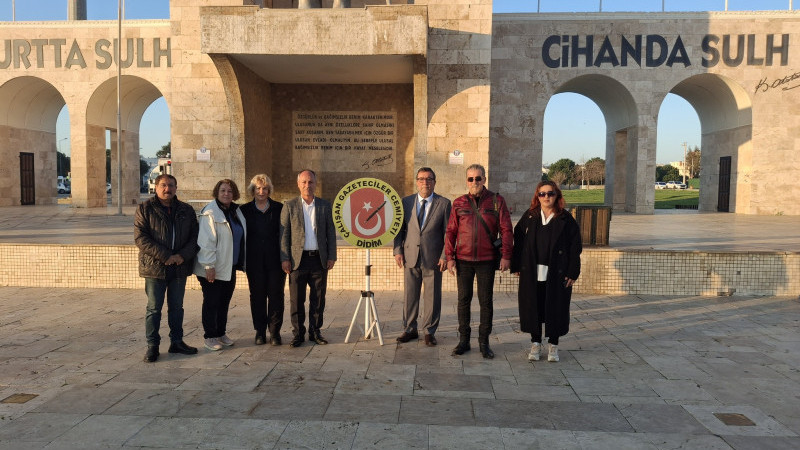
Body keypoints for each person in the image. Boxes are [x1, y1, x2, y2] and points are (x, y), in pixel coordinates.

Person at [445, 164, 513, 359]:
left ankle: (484, 342)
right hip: (464, 260)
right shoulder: (458, 203)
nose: (474, 182)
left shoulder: (497, 201)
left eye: (478, 178)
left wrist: (506, 255)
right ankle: (464, 341)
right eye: (470, 179)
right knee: (463, 301)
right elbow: (451, 231)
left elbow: (506, 230)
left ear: (484, 179)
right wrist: (450, 257)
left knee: (486, 302)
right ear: (466, 181)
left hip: (487, 260)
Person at [510, 181, 582, 362]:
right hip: (533, 272)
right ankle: (535, 343)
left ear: (557, 195)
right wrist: (517, 264)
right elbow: (518, 237)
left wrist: (573, 271)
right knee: (534, 308)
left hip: (556, 274)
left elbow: (575, 247)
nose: (546, 197)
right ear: (537, 196)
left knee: (555, 308)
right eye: (542, 194)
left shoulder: (565, 219)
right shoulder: (531, 215)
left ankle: (553, 345)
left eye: (550, 193)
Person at [134, 174, 199, 363]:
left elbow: (195, 237)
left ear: (176, 188)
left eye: (171, 185)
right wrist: (165, 256)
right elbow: (141, 238)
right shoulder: (145, 209)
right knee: (154, 308)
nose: (167, 189)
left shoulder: (186, 210)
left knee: (177, 308)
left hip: (179, 267)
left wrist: (181, 256)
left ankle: (176, 342)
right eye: (163, 185)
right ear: (156, 187)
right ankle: (152, 346)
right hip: (155, 268)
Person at [393, 167, 451, 346]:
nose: (425, 182)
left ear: (434, 182)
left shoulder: (444, 203)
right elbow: (399, 229)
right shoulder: (406, 202)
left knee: (432, 297)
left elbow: (448, 233)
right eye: (421, 179)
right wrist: (397, 250)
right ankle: (409, 329)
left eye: (429, 179)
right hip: (410, 255)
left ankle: (429, 332)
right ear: (416, 181)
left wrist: (445, 256)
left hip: (433, 258)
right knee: (410, 295)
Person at [280, 169, 337, 348]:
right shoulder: (289, 206)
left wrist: (331, 256)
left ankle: (315, 331)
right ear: (298, 184)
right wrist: (285, 258)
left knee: (318, 298)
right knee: (296, 300)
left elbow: (330, 233)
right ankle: (298, 334)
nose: (307, 185)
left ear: (315, 183)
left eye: (310, 182)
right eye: (304, 182)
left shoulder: (324, 206)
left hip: (318, 259)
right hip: (297, 261)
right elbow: (284, 234)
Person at [193, 179, 247, 351]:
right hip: (213, 267)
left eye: (230, 191)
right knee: (212, 302)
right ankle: (210, 336)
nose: (226, 194)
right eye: (223, 190)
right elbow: (206, 241)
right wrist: (209, 266)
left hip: (229, 265)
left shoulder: (235, 211)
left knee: (224, 301)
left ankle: (221, 332)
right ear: (217, 192)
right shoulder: (210, 212)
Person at [241, 174, 285, 346]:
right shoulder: (244, 210)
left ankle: (275, 332)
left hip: (275, 262)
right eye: (258, 188)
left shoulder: (279, 208)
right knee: (257, 296)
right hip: (254, 262)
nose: (261, 191)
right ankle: (259, 331)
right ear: (252, 190)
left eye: (265, 188)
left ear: (269, 190)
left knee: (276, 296)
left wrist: (285, 258)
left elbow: (283, 235)